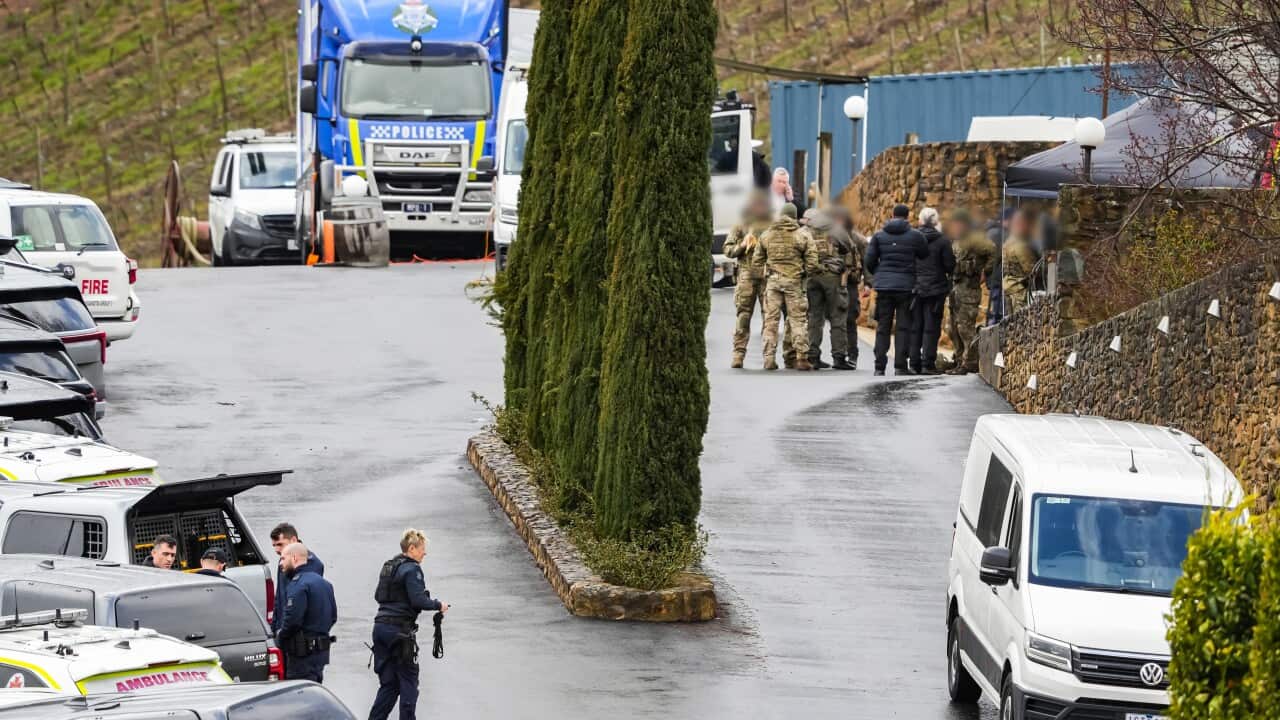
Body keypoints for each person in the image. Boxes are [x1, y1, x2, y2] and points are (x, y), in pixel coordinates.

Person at [369, 529, 449, 720]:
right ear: (412, 548)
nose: (424, 553)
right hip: (399, 633)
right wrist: (438, 605)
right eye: (422, 549)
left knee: (389, 685)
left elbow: (378, 596)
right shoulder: (412, 569)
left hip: (380, 629)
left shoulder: (389, 566)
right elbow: (418, 600)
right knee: (408, 682)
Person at [751, 203, 818, 371]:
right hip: (794, 283)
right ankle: (802, 358)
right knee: (798, 321)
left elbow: (756, 262)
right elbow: (813, 261)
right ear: (795, 216)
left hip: (773, 283)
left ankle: (769, 359)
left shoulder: (767, 235)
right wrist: (804, 274)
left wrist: (765, 277)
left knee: (771, 321)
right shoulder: (802, 235)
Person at [865, 204, 928, 375]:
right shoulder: (916, 236)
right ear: (908, 216)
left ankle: (879, 367)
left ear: (892, 215)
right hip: (905, 287)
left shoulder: (878, 235)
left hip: (884, 287)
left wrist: (879, 274)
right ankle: (900, 366)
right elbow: (924, 254)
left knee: (883, 326)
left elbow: (869, 261)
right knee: (903, 326)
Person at [723, 192, 773, 368]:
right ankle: (738, 355)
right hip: (746, 275)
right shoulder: (741, 225)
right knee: (743, 316)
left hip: (766, 275)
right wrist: (742, 246)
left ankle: (769, 357)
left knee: (769, 316)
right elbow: (727, 250)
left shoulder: (771, 224)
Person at [803, 208, 856, 370]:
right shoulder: (835, 228)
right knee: (837, 316)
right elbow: (848, 246)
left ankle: (813, 356)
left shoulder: (805, 230)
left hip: (811, 275)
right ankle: (839, 357)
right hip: (832, 276)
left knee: (814, 316)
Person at [278, 542, 337, 683]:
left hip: (301, 656)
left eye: (283, 558)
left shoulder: (298, 585)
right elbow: (333, 617)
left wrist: (280, 637)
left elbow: (292, 621)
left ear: (294, 558)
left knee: (298, 699)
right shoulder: (325, 584)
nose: (281, 564)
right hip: (320, 655)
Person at [907, 207, 955, 375]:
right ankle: (928, 364)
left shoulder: (911, 238)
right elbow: (950, 265)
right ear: (935, 222)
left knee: (915, 327)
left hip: (915, 289)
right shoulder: (943, 240)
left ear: (920, 221)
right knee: (931, 327)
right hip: (936, 289)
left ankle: (913, 364)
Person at [947, 209, 996, 375]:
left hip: (969, 288)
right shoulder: (956, 240)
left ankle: (970, 361)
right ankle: (959, 360)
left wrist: (985, 271)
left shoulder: (976, 239)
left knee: (965, 328)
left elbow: (994, 252)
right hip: (956, 287)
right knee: (952, 327)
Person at [828, 204, 867, 370]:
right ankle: (839, 356)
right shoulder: (829, 236)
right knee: (836, 321)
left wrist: (869, 284)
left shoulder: (858, 239)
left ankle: (852, 355)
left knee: (850, 320)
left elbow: (867, 263)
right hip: (833, 283)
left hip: (850, 284)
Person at [270, 523, 325, 637]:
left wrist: (286, 631)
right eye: (274, 545)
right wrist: (274, 629)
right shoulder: (284, 561)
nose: (277, 550)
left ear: (293, 540)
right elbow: (279, 598)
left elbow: (302, 604)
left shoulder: (311, 563)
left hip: (299, 635)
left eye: (280, 544)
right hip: (284, 630)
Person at [1002, 209, 1038, 316]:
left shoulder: (1008, 241)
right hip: (1019, 290)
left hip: (1009, 286)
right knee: (1020, 321)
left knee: (1010, 324)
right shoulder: (1020, 244)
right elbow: (1031, 269)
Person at [985, 209, 1011, 325]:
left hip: (993, 278)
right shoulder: (1000, 234)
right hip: (998, 277)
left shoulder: (990, 233)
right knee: (998, 310)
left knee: (996, 308)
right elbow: (995, 257)